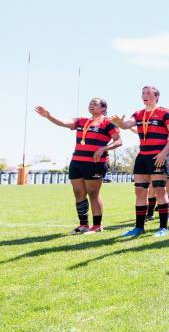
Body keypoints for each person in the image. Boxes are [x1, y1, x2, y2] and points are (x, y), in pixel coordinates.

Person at [35, 98, 122, 234]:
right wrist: (48, 116)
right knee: (78, 193)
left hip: (95, 163)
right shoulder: (81, 121)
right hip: (77, 162)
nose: (91, 105)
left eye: (95, 104)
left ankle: (97, 226)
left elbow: (119, 141)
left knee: (93, 194)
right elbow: (63, 122)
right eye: (90, 103)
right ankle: (83, 225)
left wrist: (103, 149)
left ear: (103, 108)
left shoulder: (108, 123)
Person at [111, 86, 169, 238]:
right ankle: (138, 227)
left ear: (156, 97)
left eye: (148, 93)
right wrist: (119, 122)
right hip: (142, 157)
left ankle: (163, 227)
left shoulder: (165, 112)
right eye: (143, 93)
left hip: (158, 156)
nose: (145, 95)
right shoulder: (139, 113)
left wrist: (163, 153)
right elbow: (126, 125)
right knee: (140, 191)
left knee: (160, 191)